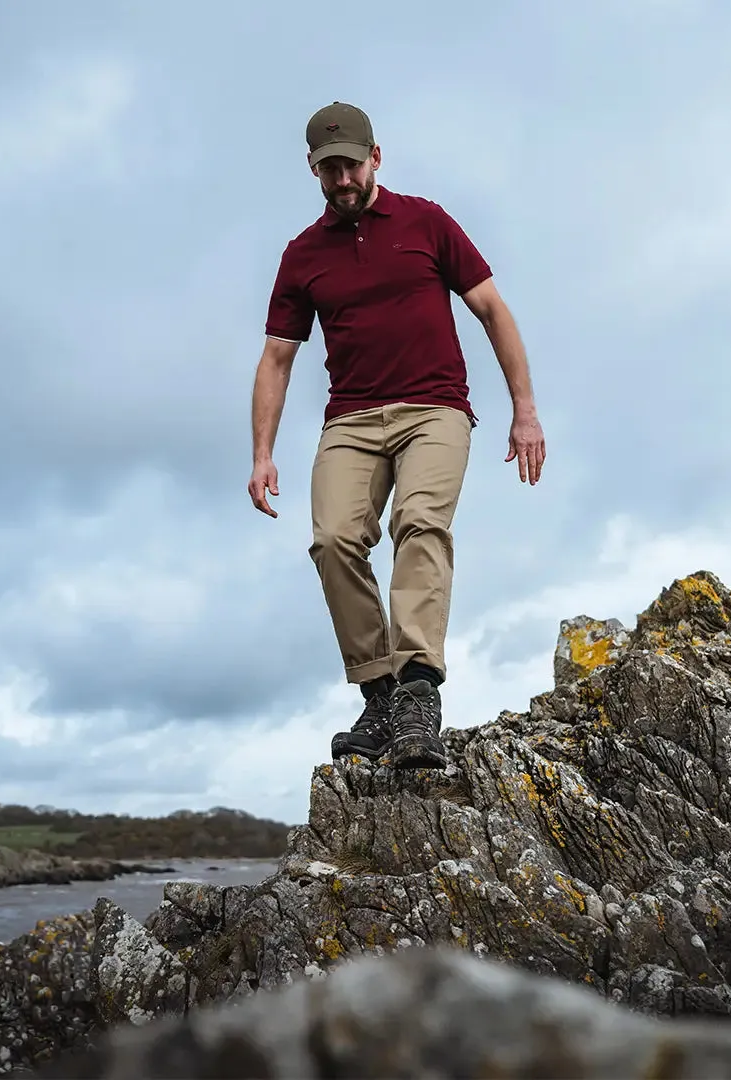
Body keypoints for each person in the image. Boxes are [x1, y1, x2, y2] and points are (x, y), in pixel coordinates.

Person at [248, 101, 545, 770]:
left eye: (351, 165)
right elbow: (277, 357)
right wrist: (262, 453)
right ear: (313, 171)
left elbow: (492, 310)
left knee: (419, 523)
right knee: (332, 539)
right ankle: (380, 695)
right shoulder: (302, 256)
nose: (342, 179)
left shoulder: (427, 222)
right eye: (328, 170)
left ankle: (418, 693)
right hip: (351, 420)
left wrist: (523, 410)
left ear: (375, 157)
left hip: (434, 410)